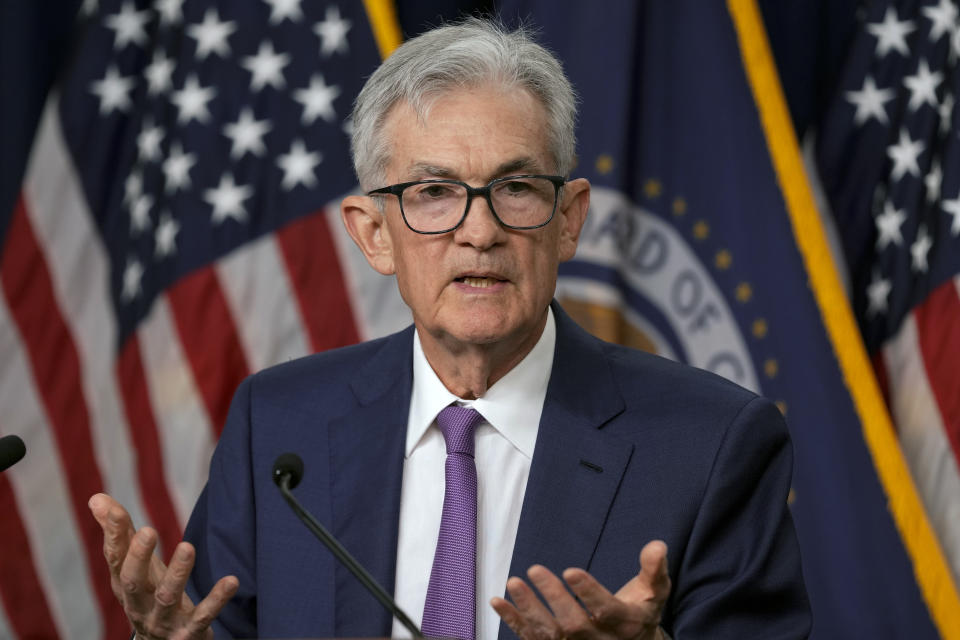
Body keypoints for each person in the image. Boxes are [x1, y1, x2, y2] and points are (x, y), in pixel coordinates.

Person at [89, 18, 810, 640]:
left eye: (515, 188)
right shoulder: (278, 428)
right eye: (434, 193)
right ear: (373, 234)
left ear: (568, 221)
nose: (479, 231)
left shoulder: (711, 445)